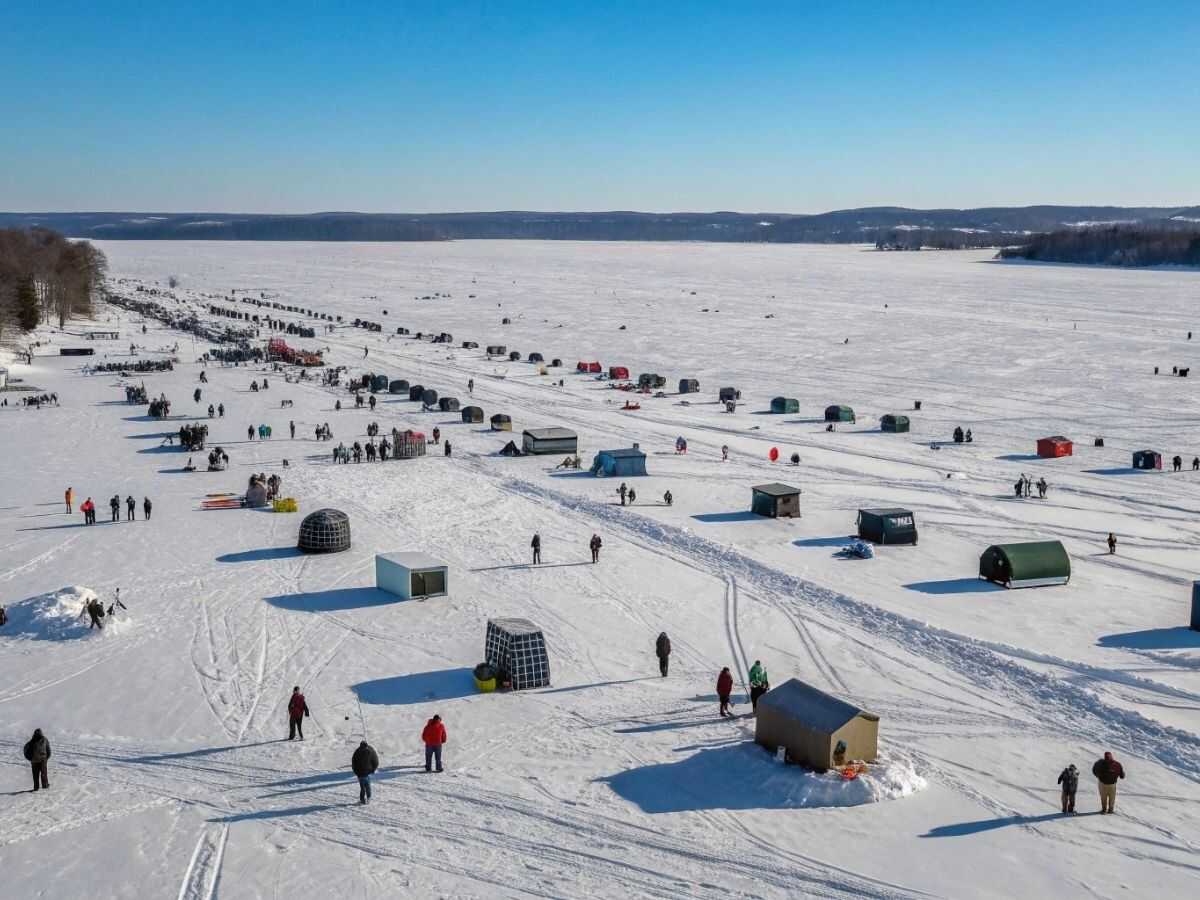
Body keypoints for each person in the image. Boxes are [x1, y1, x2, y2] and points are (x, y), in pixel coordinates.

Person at [351, 740, 379, 804]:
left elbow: (353, 763)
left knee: (362, 787)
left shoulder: (357, 751)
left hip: (360, 774)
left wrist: (356, 772)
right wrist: (373, 770)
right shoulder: (370, 751)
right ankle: (368, 798)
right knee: (368, 786)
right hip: (367, 773)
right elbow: (376, 761)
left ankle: (362, 800)